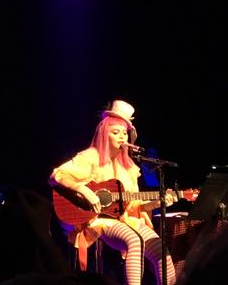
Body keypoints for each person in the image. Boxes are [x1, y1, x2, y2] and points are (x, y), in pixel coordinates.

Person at [49, 100, 178, 285]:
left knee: (160, 249)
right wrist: (84, 190)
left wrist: (158, 202)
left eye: (125, 133)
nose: (122, 137)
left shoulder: (129, 167)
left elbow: (134, 203)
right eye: (115, 132)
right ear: (104, 134)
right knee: (134, 240)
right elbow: (57, 175)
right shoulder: (90, 157)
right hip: (97, 219)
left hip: (124, 218)